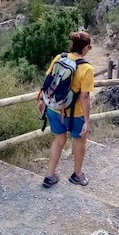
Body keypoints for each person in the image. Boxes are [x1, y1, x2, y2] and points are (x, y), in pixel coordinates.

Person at [39, 31, 94, 188]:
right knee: (79, 140)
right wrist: (87, 121)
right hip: (75, 114)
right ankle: (77, 175)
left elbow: (48, 80)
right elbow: (85, 97)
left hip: (54, 108)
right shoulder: (86, 69)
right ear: (87, 48)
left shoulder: (60, 57)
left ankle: (50, 176)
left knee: (59, 139)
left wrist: (42, 100)